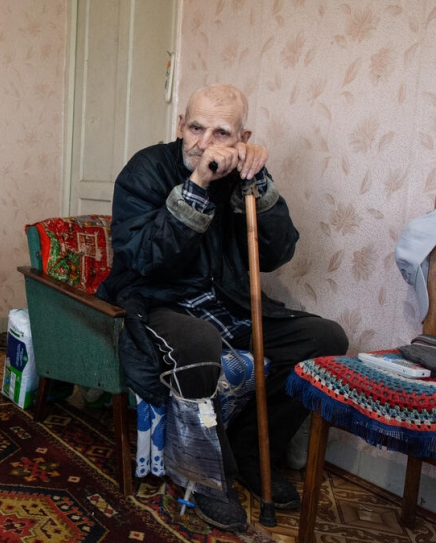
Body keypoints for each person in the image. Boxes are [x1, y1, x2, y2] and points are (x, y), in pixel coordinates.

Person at [96, 83, 348, 532]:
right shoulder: (146, 169)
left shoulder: (244, 175)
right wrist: (196, 186)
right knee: (199, 341)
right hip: (156, 298)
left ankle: (253, 449)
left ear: (242, 137)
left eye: (221, 133)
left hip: (227, 298)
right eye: (196, 128)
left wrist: (261, 186)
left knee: (326, 339)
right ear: (180, 126)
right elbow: (142, 259)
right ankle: (206, 476)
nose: (205, 143)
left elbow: (276, 254)